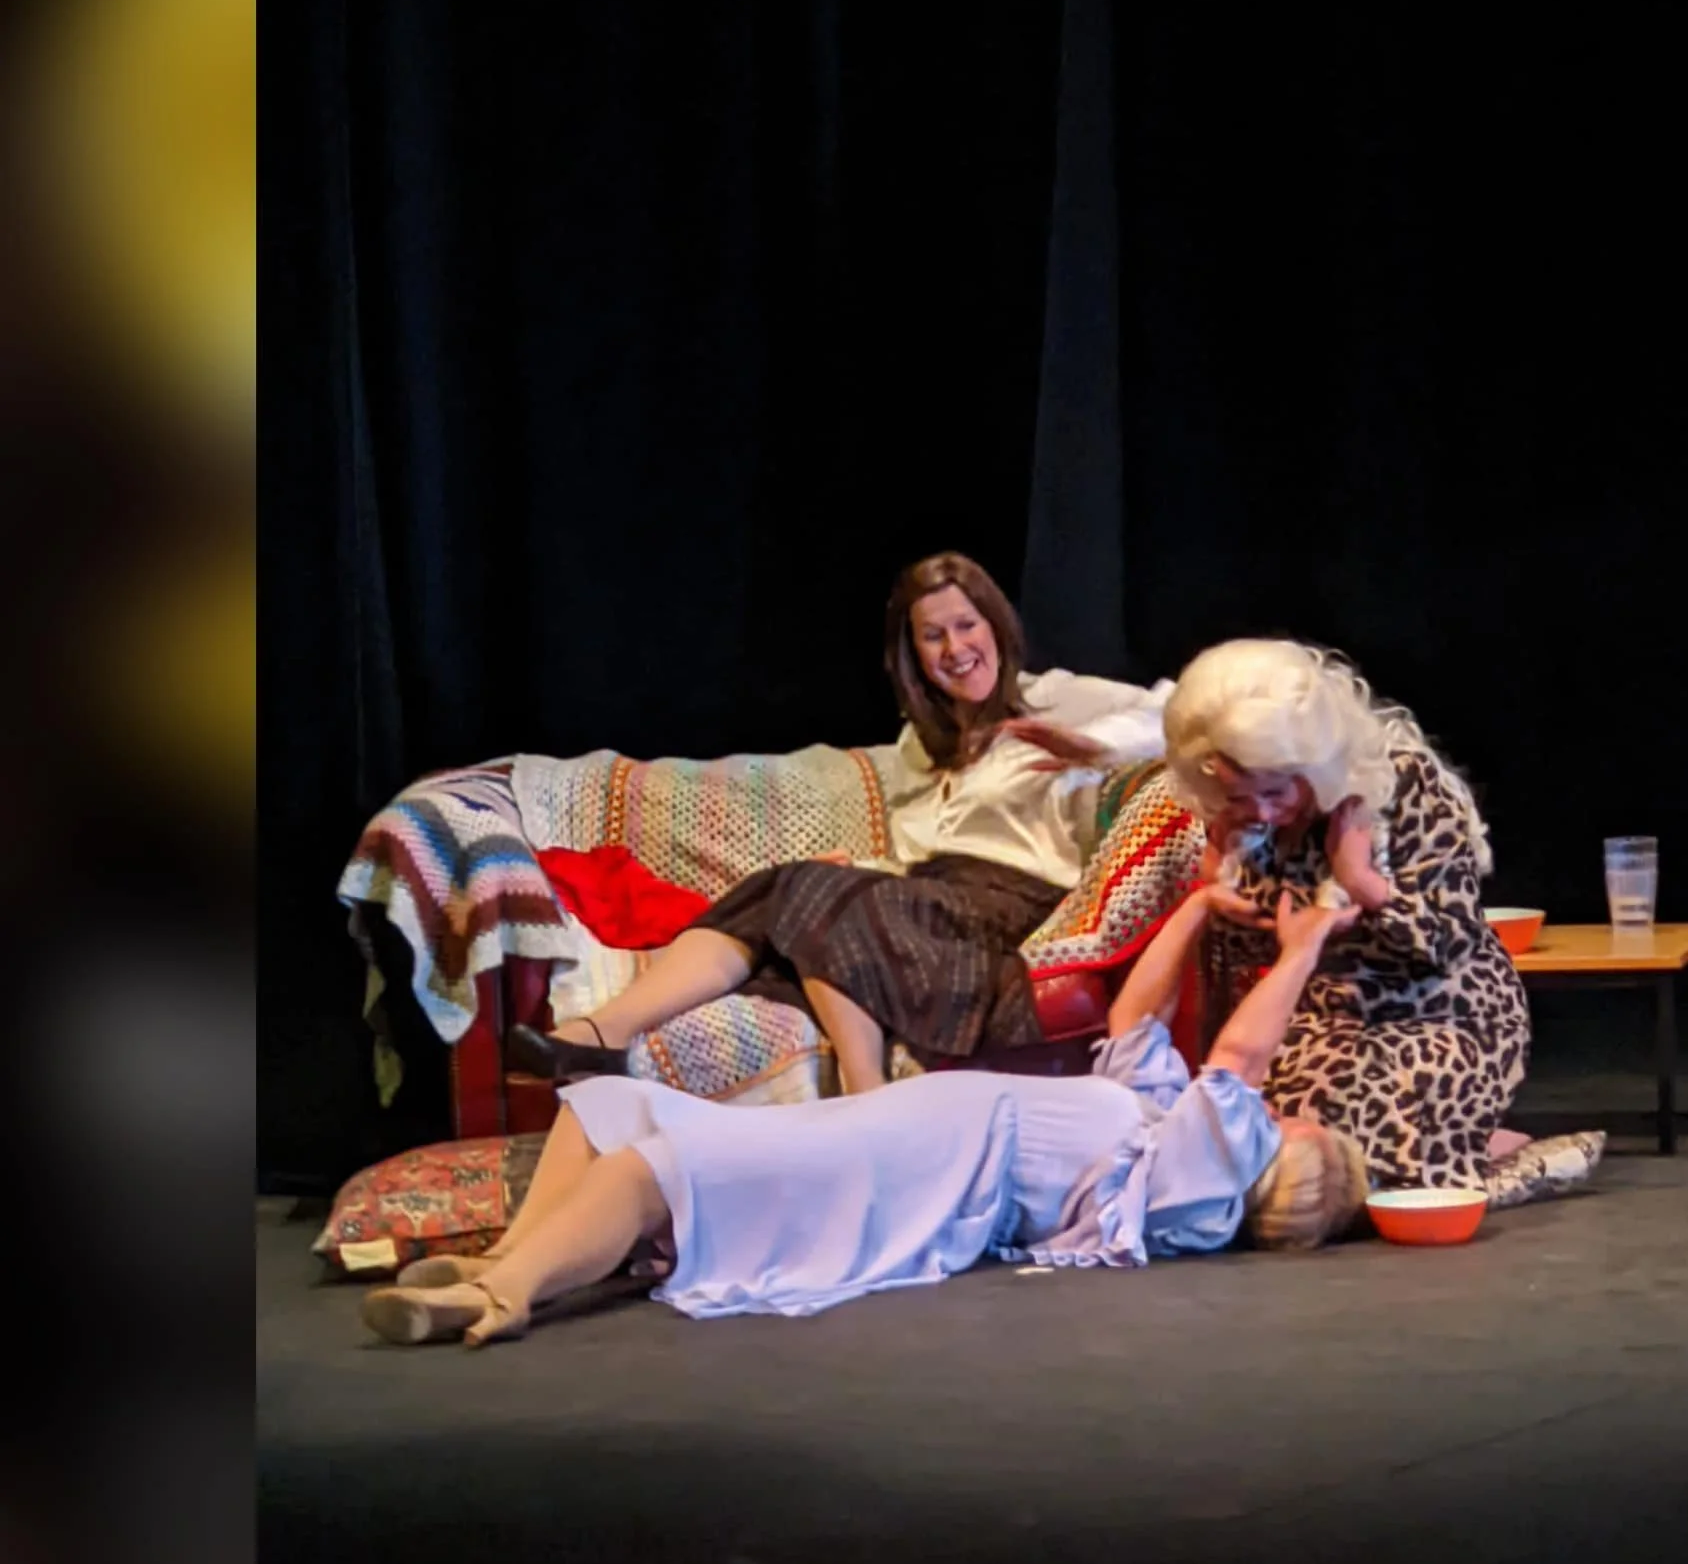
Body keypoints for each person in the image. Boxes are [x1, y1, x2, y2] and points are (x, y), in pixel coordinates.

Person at [360, 883, 1372, 1347]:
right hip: (921, 1130)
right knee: (607, 1103)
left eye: (1302, 1124)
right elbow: (1132, 1018)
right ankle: (512, 1260)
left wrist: (1305, 945)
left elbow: (1239, 1056)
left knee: (649, 1169)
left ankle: (504, 1293)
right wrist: (1195, 906)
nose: (1284, 1109)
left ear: (1295, 1165)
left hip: (923, 1164)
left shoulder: (1207, 1186)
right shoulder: (1165, 1135)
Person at [508, 551, 1172, 1095]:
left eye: (967, 626)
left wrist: (1091, 748)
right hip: (933, 905)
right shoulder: (920, 745)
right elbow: (921, 857)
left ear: (995, 625)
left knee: (804, 894)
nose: (956, 648)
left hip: (1006, 912)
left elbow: (1176, 712)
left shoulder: (1057, 696)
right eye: (933, 635)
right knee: (781, 887)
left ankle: (866, 1092)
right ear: (914, 654)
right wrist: (862, 873)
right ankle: (601, 1035)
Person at [1164, 638, 1583, 1199]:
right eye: (1241, 796)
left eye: (1273, 791)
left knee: (1366, 1148)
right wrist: (1224, 889)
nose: (1261, 811)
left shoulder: (1400, 786)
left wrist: (1366, 885)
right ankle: (1475, 1155)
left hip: (1442, 1013)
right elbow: (1262, 953)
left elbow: (1449, 943)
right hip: (1324, 1021)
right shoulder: (1238, 823)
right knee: (1280, 1154)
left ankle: (1506, 1166)